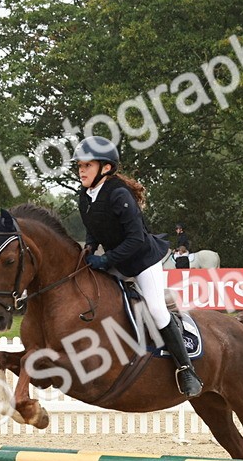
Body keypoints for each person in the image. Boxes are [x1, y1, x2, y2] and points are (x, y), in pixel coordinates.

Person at [74, 135, 202, 397]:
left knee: (156, 309)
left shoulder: (119, 194)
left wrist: (105, 260)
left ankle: (186, 369)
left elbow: (136, 239)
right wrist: (88, 249)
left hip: (142, 261)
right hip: (116, 259)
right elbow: (94, 230)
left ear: (105, 168)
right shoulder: (84, 197)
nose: (82, 170)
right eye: (80, 166)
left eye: (87, 165)